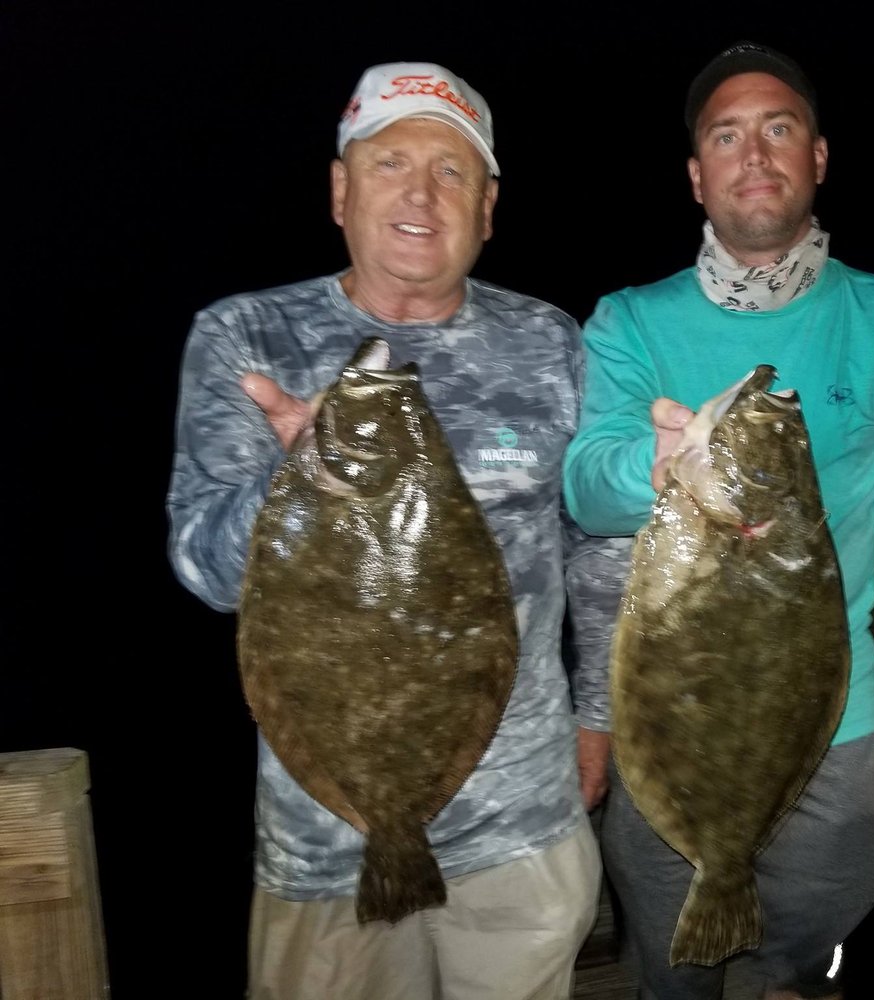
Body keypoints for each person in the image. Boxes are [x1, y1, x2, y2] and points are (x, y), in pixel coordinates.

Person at [167, 61, 622, 1000]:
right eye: (390, 163)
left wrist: (598, 722)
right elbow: (203, 567)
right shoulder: (245, 338)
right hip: (331, 840)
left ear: (488, 209)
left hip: (523, 823)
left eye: (452, 171)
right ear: (340, 189)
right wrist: (298, 486)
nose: (421, 192)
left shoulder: (550, 342)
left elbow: (597, 554)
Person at [561, 41, 874, 1000]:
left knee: (795, 963)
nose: (755, 153)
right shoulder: (626, 320)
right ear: (697, 176)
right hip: (672, 721)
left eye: (779, 128)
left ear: (818, 158)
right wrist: (657, 468)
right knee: (672, 969)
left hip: (843, 731)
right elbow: (584, 487)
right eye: (727, 135)